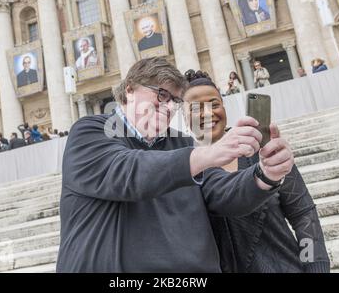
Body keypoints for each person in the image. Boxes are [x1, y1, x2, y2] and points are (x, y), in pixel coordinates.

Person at [56, 57, 292, 272]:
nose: (169, 107)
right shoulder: (89, 131)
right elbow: (129, 171)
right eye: (161, 95)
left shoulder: (182, 142)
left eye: (176, 100)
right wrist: (208, 154)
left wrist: (265, 175)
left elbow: (221, 191)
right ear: (129, 90)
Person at [183, 70, 330, 273]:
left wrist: (315, 265)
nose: (207, 113)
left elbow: (303, 214)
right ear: (183, 116)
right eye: (195, 108)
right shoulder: (183, 169)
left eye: (214, 104)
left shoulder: (265, 149)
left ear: (224, 106)